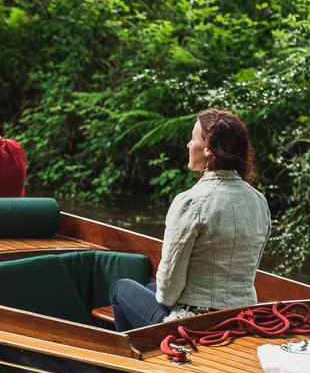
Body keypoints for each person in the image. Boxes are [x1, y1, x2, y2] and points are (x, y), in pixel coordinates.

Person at [109, 109, 270, 332]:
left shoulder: (191, 201)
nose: (188, 145)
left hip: (193, 324)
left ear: (208, 149)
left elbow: (167, 293)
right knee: (149, 286)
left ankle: (129, 360)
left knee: (120, 289)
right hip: (241, 316)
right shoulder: (259, 201)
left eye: (193, 138)